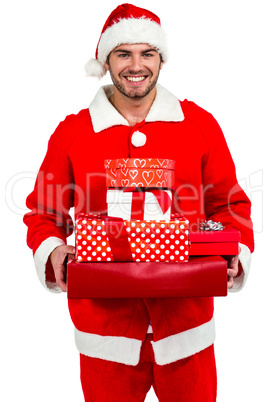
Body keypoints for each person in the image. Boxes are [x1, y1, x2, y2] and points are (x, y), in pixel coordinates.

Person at [23, 3, 254, 401]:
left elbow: (229, 205)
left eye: (147, 53)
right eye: (123, 53)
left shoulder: (199, 125)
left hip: (186, 328)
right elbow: (44, 213)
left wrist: (234, 251)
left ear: (161, 59)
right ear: (106, 60)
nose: (136, 65)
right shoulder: (73, 132)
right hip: (104, 331)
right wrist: (55, 250)